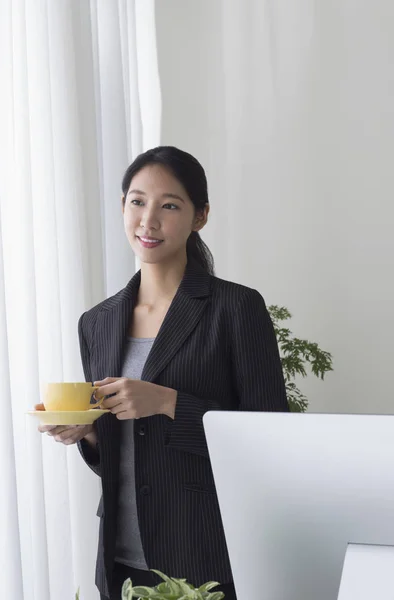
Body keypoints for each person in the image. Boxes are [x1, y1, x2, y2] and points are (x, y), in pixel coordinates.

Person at [38, 146, 289, 600]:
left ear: (200, 216)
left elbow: (272, 438)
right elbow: (125, 453)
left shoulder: (235, 308)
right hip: (122, 561)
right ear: (122, 206)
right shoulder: (97, 321)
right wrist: (88, 433)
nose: (148, 220)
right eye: (137, 201)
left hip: (207, 558)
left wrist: (169, 403)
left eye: (169, 205)